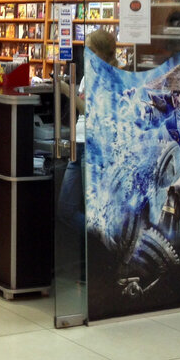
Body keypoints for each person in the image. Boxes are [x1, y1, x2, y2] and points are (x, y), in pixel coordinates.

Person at [58, 28, 117, 231]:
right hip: (79, 143)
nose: (86, 54)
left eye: (91, 49)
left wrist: (67, 91)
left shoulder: (109, 78)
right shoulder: (88, 76)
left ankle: (101, 240)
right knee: (65, 209)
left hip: (93, 147)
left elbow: (91, 112)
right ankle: (99, 237)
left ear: (103, 52)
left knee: (92, 209)